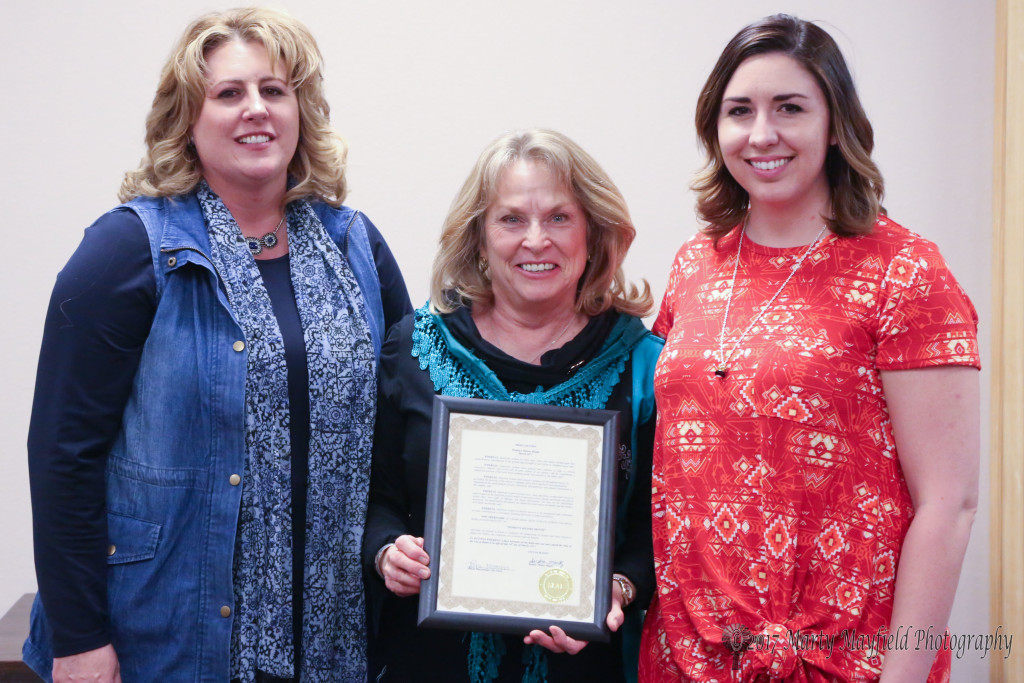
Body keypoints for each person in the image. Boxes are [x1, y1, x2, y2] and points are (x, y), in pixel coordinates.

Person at [23, 8, 411, 683]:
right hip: (166, 635)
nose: (255, 109)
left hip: (334, 642)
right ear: (188, 120)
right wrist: (79, 637)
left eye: (274, 90)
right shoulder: (127, 250)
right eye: (229, 93)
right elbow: (63, 453)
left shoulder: (356, 247)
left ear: (300, 111)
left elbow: (407, 429)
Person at [639, 14, 979, 683]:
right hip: (688, 657)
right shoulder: (693, 267)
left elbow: (950, 502)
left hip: (841, 662)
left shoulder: (902, 270)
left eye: (789, 108)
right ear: (716, 127)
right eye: (740, 111)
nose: (762, 134)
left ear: (834, 123)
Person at [362, 129, 661, 682]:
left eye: (559, 218)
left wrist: (617, 589)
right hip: (428, 665)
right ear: (478, 238)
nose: (536, 239)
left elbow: (654, 534)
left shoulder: (643, 364)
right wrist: (386, 552)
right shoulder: (413, 349)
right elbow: (374, 500)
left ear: (592, 233)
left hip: (582, 666)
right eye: (512, 219)